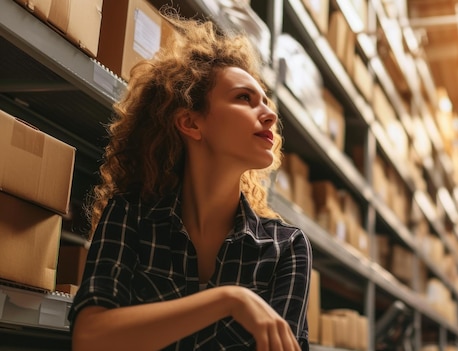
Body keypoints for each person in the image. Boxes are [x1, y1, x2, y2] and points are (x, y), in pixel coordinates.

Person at [68, 12, 312, 351]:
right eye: (244, 98)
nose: (270, 114)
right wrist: (229, 300)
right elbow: (89, 337)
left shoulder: (286, 248)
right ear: (191, 123)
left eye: (266, 102)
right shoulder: (130, 217)